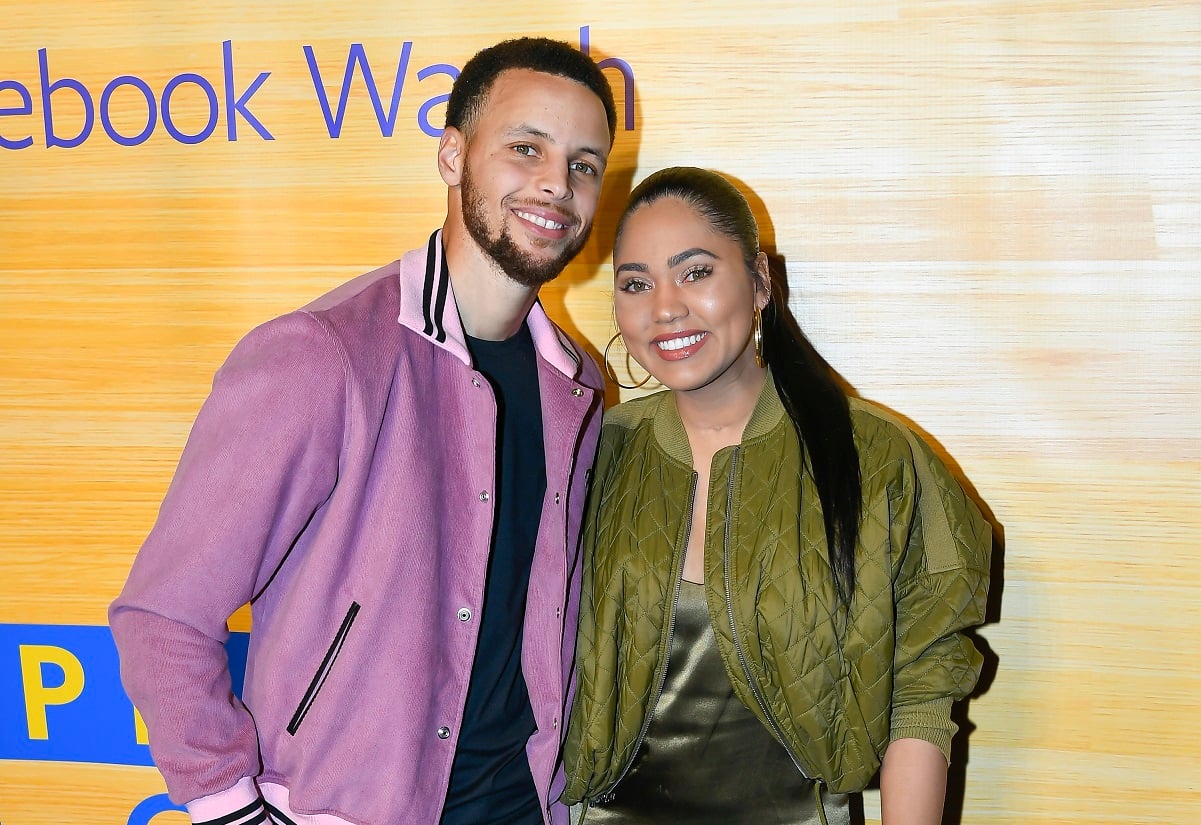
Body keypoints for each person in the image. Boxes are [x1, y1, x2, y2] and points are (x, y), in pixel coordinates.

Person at [109, 37, 617, 825]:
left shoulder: (578, 386)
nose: (556, 183)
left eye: (583, 164)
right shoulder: (324, 354)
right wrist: (230, 808)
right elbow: (163, 615)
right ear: (452, 155)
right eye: (526, 148)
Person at [561, 167, 991, 825]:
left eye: (695, 272)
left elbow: (922, 686)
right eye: (636, 284)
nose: (665, 307)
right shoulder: (595, 452)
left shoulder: (874, 454)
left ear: (760, 281)